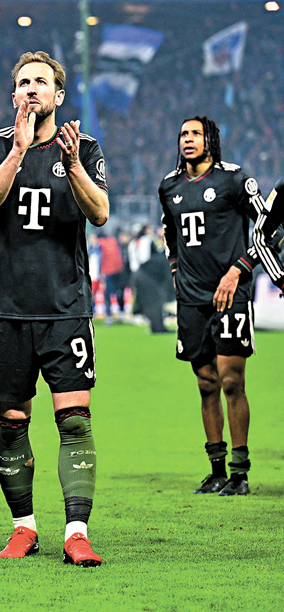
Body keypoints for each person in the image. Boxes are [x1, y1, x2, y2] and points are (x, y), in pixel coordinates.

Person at [0, 51, 109, 567]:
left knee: (74, 421)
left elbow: (100, 212)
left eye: (41, 82)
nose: (32, 89)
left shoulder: (84, 148)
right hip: (5, 311)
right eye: (24, 82)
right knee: (11, 421)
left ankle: (77, 533)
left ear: (58, 94)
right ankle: (23, 528)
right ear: (14, 95)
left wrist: (71, 166)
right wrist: (17, 152)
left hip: (64, 308)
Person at [159, 116, 284, 496]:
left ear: (211, 140)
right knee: (205, 382)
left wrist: (238, 269)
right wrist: (176, 271)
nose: (188, 139)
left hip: (232, 294)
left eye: (195, 134)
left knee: (231, 381)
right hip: (191, 299)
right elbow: (170, 233)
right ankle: (215, 470)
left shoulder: (235, 179)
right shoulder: (169, 186)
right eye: (183, 134)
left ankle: (239, 473)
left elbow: (271, 228)